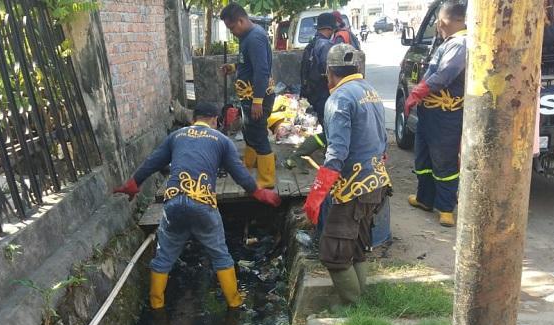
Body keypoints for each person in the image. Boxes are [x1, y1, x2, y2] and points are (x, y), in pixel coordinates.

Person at [114, 102, 281, 309]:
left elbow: (152, 162)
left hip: (174, 202)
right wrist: (259, 193)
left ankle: (157, 306)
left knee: (164, 257)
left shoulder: (176, 136)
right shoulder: (221, 140)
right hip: (202, 203)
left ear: (194, 119)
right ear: (213, 119)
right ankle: (235, 303)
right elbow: (240, 174)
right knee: (220, 255)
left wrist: (132, 185)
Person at [302, 44, 390, 306]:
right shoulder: (370, 91)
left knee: (334, 252)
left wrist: (316, 197)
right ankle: (360, 304)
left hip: (354, 188)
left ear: (329, 72)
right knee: (357, 248)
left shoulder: (339, 98)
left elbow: (336, 153)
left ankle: (353, 308)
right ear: (357, 68)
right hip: (377, 182)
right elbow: (383, 140)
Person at [404, 1, 467, 227]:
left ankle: (446, 207)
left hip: (445, 115)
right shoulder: (446, 43)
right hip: (429, 114)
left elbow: (444, 75)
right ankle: (425, 199)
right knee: (423, 158)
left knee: (444, 161)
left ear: (442, 21)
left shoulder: (460, 44)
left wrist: (415, 94)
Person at [219, 3, 277, 188]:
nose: (231, 32)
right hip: (249, 97)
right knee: (248, 130)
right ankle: (250, 164)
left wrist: (257, 101)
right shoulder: (247, 36)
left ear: (241, 20)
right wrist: (234, 67)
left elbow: (261, 71)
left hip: (257, 97)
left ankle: (267, 180)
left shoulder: (255, 38)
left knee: (258, 134)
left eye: (232, 28)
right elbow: (248, 63)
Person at [285, 12, 335, 170]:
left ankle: (321, 155)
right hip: (324, 93)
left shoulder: (312, 44)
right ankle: (297, 156)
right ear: (330, 28)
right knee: (331, 131)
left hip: (314, 92)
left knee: (327, 129)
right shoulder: (325, 46)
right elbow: (330, 72)